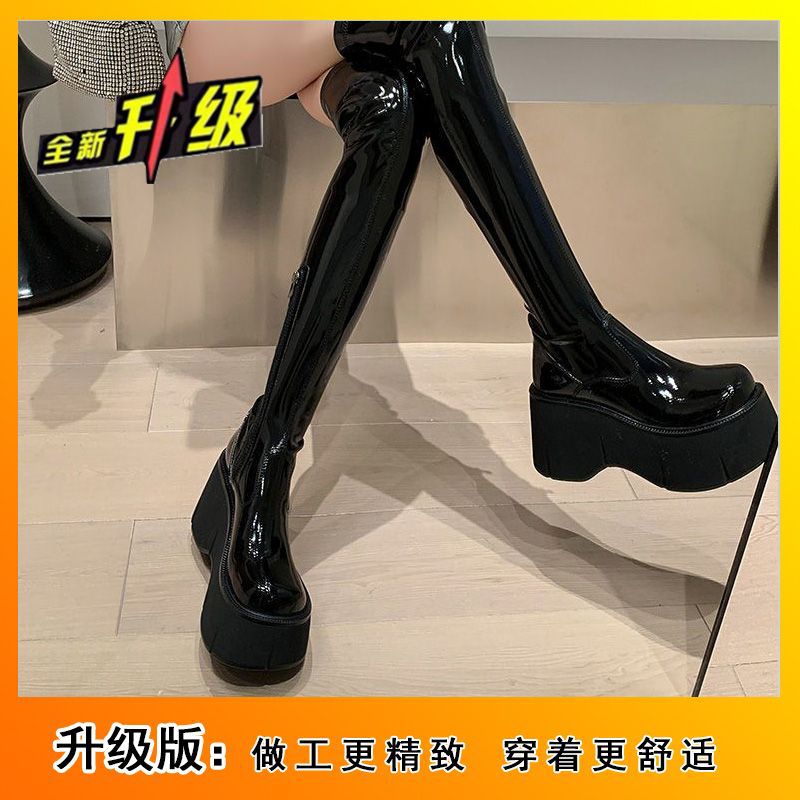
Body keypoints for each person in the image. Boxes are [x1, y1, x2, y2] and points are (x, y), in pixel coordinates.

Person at [61, 22, 781, 673]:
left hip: (294, 29)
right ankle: (580, 351)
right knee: (435, 18)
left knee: (389, 110)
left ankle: (261, 456)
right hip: (181, 42)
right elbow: (95, 46)